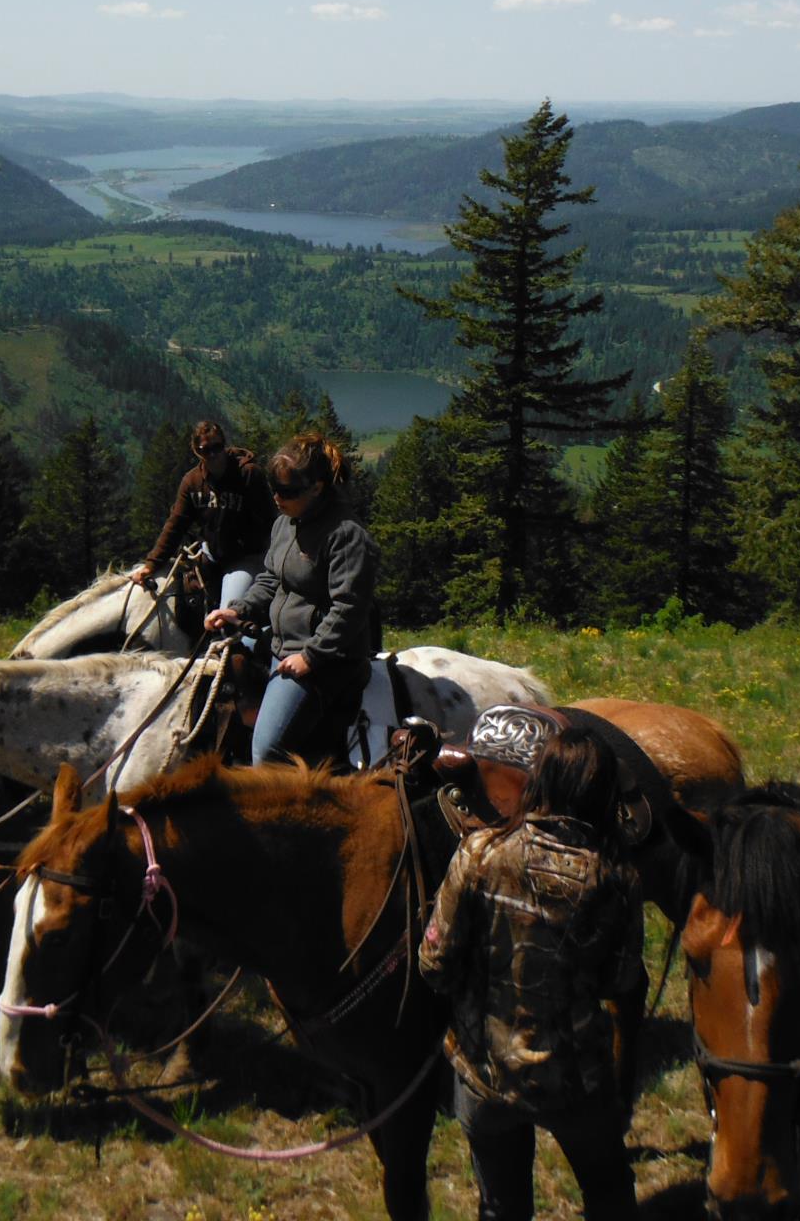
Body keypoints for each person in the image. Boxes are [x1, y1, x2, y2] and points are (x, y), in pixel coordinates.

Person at [418, 728, 643, 1221]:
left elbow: (434, 964)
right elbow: (620, 982)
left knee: (501, 1205)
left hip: (484, 1071)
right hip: (578, 1079)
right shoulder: (617, 878)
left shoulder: (480, 852)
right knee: (609, 1194)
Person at [203, 431, 378, 765]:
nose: (277, 498)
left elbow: (349, 609)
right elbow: (271, 578)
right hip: (282, 642)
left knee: (266, 750)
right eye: (274, 489)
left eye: (287, 491)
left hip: (325, 659)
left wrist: (310, 658)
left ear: (317, 487)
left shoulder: (346, 536)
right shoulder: (285, 523)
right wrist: (237, 611)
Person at [133, 420, 275, 613]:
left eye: (217, 447)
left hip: (244, 559)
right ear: (196, 451)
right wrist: (151, 564)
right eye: (205, 450)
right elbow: (176, 524)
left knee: (228, 615)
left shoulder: (249, 474)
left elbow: (269, 519)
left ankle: (232, 641)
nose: (213, 455)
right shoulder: (192, 482)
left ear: (224, 445)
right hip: (210, 557)